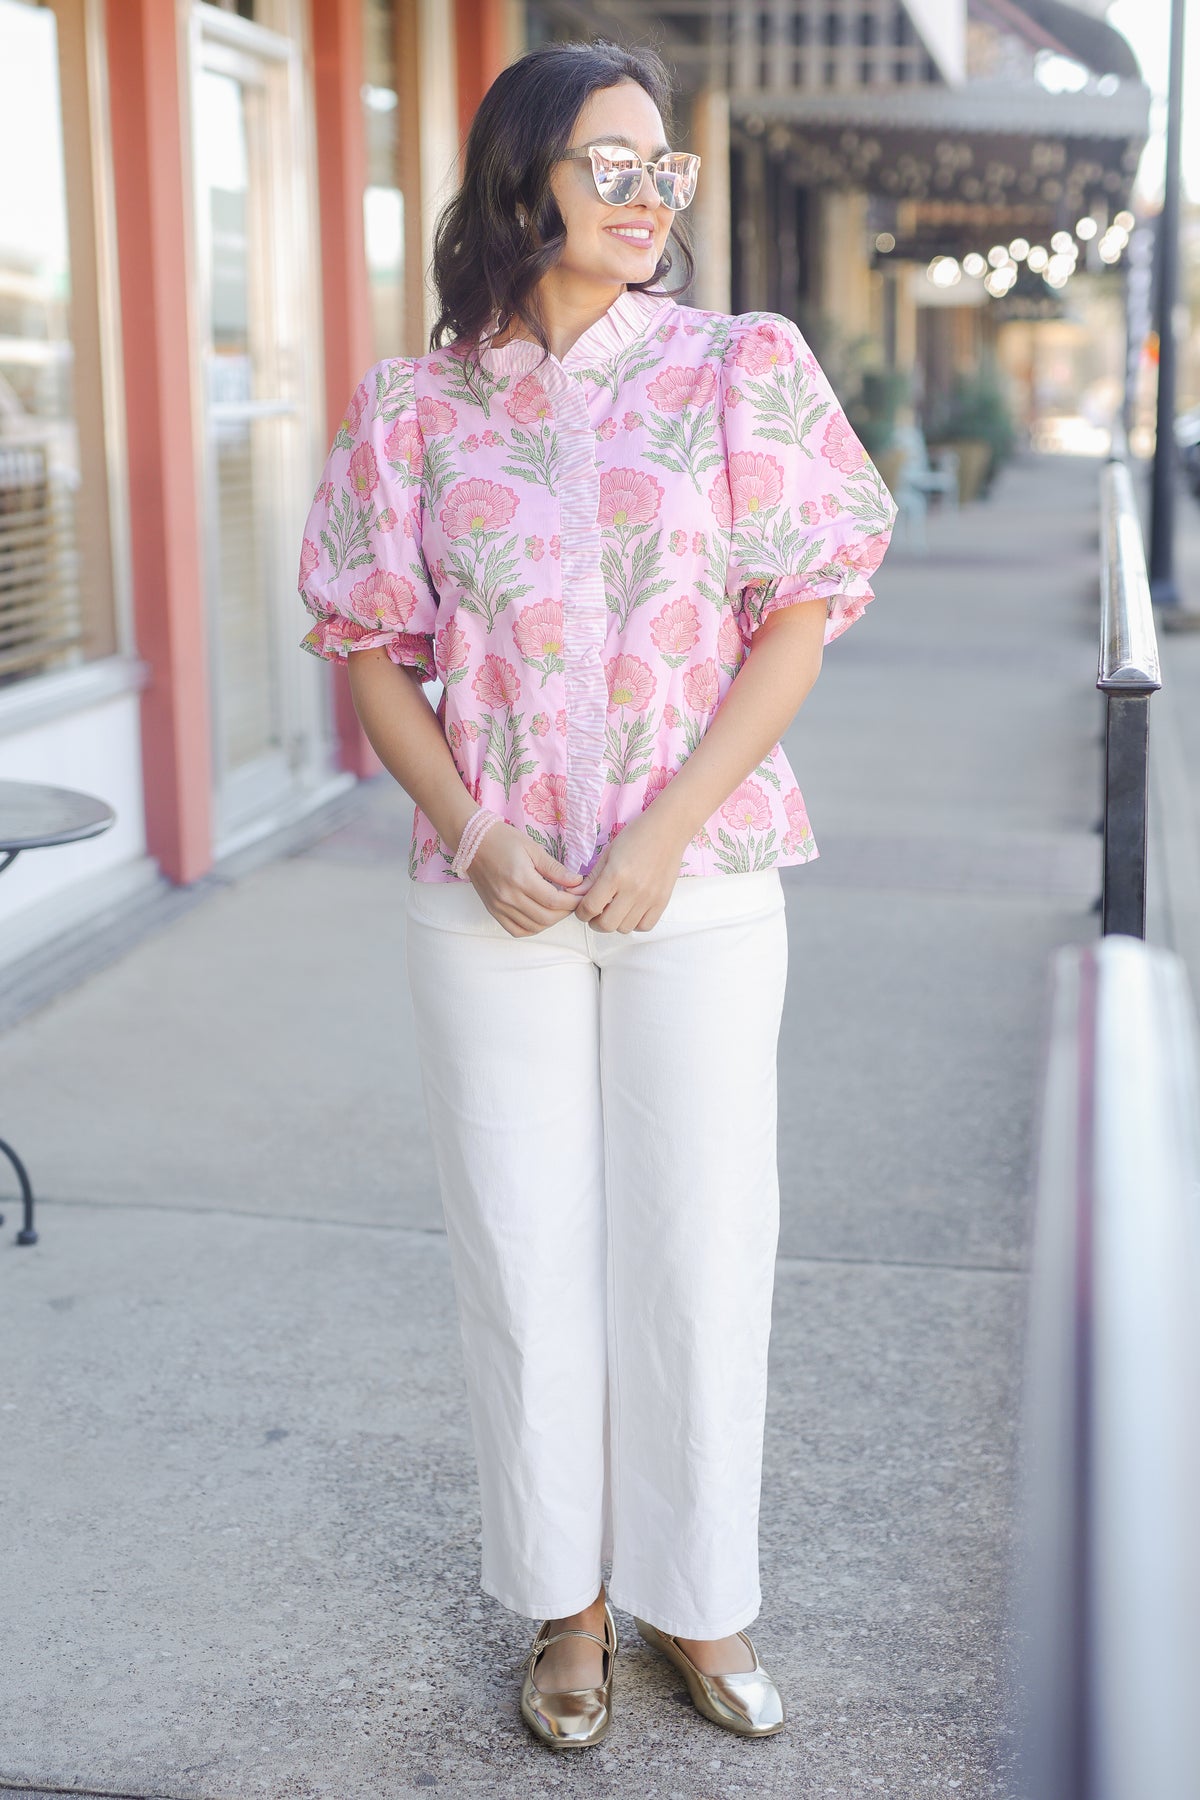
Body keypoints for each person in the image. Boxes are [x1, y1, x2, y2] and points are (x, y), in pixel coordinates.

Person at [297, 36, 896, 1754]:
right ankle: (565, 1607)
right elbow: (369, 648)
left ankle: (700, 1597)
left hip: (695, 883)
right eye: (610, 165)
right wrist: (475, 831)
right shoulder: (412, 409)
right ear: (524, 182)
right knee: (520, 1245)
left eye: (663, 169)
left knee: (701, 1242)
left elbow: (798, 618)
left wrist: (667, 830)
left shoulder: (736, 369)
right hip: (487, 898)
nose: (648, 198)